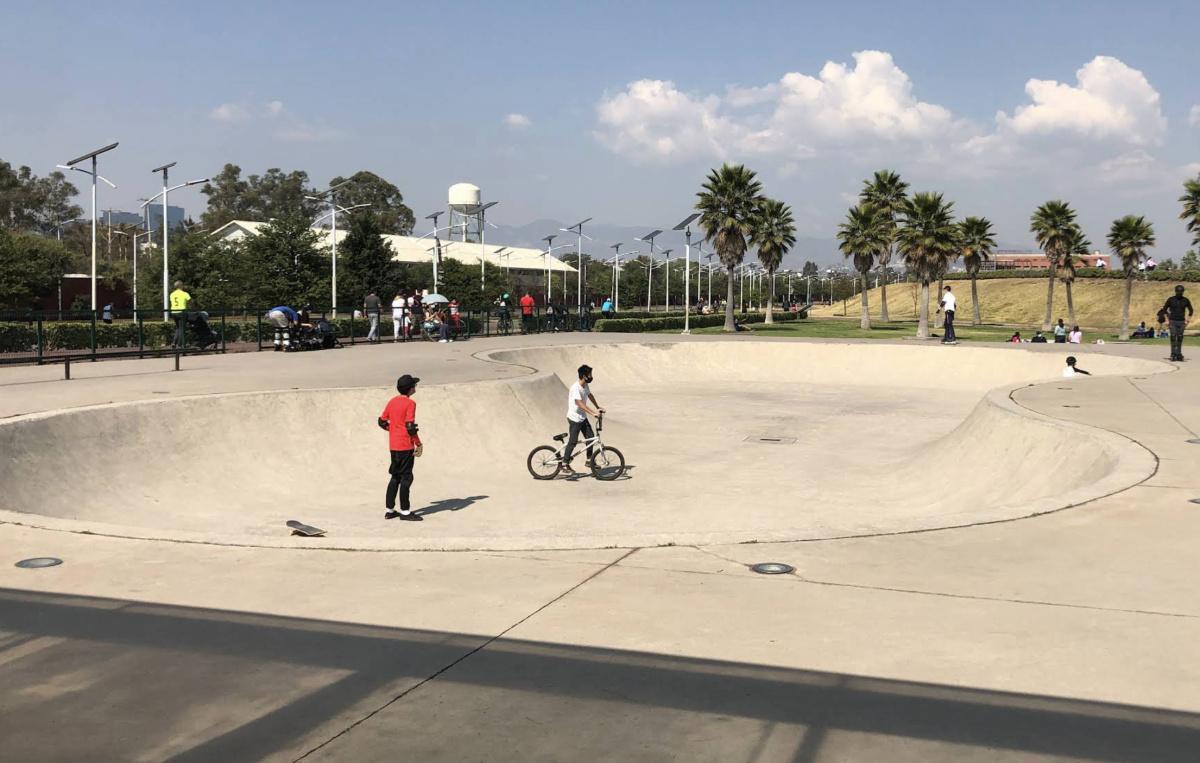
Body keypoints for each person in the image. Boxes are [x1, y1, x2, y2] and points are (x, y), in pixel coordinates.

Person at [378, 374, 423, 521]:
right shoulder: (411, 404)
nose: (415, 387)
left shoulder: (392, 401)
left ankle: (389, 510)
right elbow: (410, 426)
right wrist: (418, 443)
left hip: (394, 446)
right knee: (406, 477)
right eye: (414, 385)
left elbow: (382, 421)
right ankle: (405, 512)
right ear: (410, 389)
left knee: (395, 476)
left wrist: (394, 430)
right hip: (405, 446)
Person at [562, 364, 605, 475]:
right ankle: (564, 463)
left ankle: (589, 460)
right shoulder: (575, 388)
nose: (591, 376)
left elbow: (589, 395)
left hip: (582, 418)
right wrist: (593, 413)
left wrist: (598, 406)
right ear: (584, 376)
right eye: (589, 374)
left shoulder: (585, 385)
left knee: (590, 438)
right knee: (573, 441)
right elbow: (580, 404)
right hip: (574, 419)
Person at [1161, 285, 1194, 361]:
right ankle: (1173, 353)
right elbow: (1164, 310)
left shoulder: (1186, 300)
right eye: (1178, 291)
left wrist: (1187, 321)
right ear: (1175, 291)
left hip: (1182, 322)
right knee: (1173, 336)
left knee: (1179, 337)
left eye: (1181, 292)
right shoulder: (1171, 299)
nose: (1179, 293)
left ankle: (1179, 353)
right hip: (1172, 321)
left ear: (1183, 292)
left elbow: (1191, 311)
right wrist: (1166, 320)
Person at [169, 280, 191, 348]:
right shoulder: (185, 294)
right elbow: (190, 301)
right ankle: (180, 344)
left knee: (178, 328)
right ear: (181, 286)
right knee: (182, 329)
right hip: (181, 312)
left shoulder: (172, 294)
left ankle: (174, 343)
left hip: (173, 312)